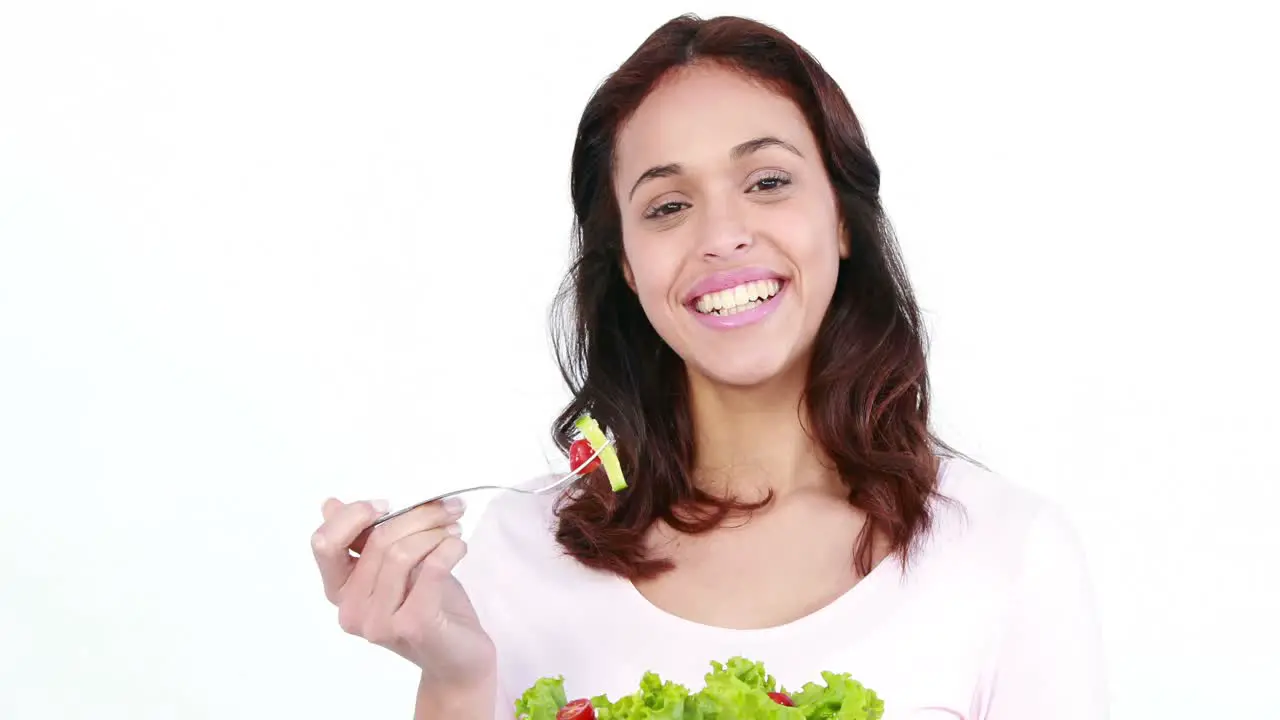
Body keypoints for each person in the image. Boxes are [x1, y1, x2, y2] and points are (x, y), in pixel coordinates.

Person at [309, 13, 1108, 720]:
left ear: (842, 221)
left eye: (768, 182)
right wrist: (455, 682)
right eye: (667, 206)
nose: (722, 234)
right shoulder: (517, 552)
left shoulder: (1007, 554)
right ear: (625, 265)